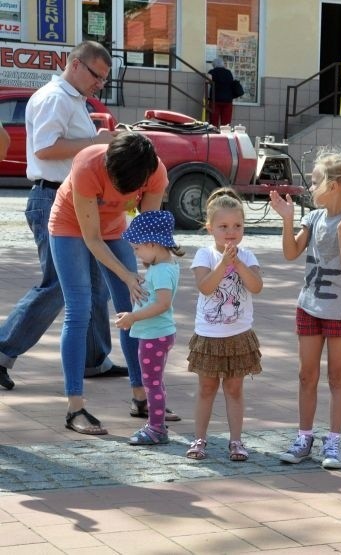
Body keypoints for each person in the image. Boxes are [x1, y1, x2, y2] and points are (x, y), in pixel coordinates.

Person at [0, 41, 125, 392]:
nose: (99, 84)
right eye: (97, 76)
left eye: (104, 79)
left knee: (97, 282)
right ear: (75, 64)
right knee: (58, 285)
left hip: (72, 199)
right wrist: (96, 142)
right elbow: (45, 147)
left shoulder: (70, 98)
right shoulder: (56, 97)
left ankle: (94, 359)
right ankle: (2, 351)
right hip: (53, 198)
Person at [49, 132, 175, 435]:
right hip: (70, 227)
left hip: (114, 229)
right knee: (79, 310)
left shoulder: (155, 172)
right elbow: (91, 238)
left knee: (136, 303)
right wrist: (125, 274)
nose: (123, 193)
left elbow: (148, 232)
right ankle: (75, 406)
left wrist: (157, 275)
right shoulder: (87, 165)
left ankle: (141, 397)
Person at [269, 147, 341, 470]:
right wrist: (287, 221)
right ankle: (304, 438)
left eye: (314, 182)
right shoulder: (312, 218)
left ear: (334, 186)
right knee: (306, 375)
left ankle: (334, 442)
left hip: (340, 309)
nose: (309, 189)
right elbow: (291, 252)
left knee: (337, 375)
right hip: (309, 305)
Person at [185, 188, 263, 462]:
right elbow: (205, 287)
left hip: (238, 335)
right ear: (210, 228)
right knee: (207, 388)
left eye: (237, 226)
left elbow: (256, 286)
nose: (231, 232)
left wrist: (238, 263)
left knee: (234, 389)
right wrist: (223, 264)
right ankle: (200, 438)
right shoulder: (204, 255)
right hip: (209, 335)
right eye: (223, 226)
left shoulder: (249, 256)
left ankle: (236, 441)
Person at [115, 210, 184, 446]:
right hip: (157, 334)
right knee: (155, 381)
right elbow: (157, 296)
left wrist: (133, 317)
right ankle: (156, 423)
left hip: (155, 335)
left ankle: (156, 428)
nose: (135, 252)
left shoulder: (162, 270)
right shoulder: (164, 266)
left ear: (153, 244)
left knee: (151, 383)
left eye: (137, 248)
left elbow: (163, 304)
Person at [208, 57, 236, 127]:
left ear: (214, 65)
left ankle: (214, 135)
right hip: (228, 100)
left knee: (214, 122)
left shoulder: (211, 72)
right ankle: (225, 135)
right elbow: (232, 83)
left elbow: (208, 82)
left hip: (215, 100)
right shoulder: (228, 72)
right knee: (226, 123)